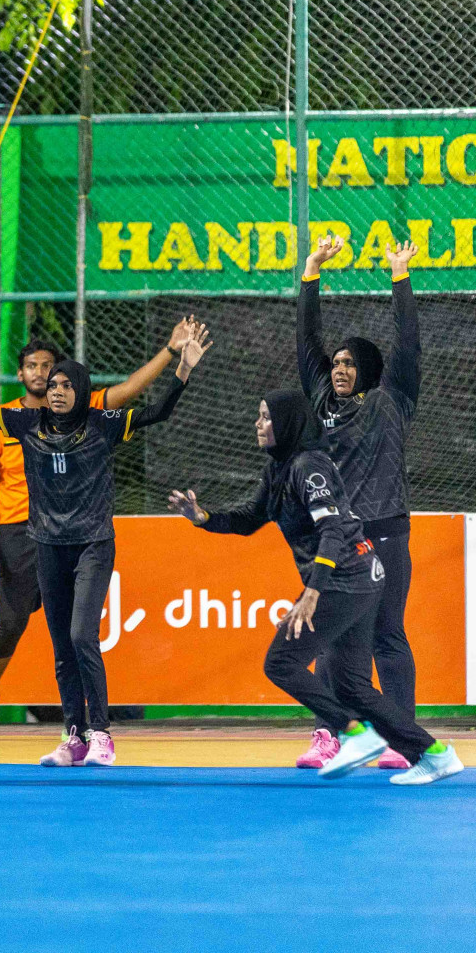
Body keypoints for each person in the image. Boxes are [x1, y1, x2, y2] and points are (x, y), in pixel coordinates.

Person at [168, 390, 462, 785]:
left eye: (265, 417)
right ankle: (434, 754)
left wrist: (312, 592)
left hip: (347, 579)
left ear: (287, 423)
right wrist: (203, 517)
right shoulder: (279, 469)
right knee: (351, 684)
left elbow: (333, 530)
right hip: (354, 578)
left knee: (281, 663)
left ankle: (353, 733)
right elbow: (251, 518)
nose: (258, 424)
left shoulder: (310, 467)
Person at [0, 312, 208, 768]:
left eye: (63, 384)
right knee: (60, 644)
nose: (54, 390)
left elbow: (159, 410)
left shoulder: (102, 424)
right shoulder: (24, 423)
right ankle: (72, 735)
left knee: (81, 637)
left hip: (92, 544)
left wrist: (183, 368)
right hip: (46, 545)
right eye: (50, 384)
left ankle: (102, 735)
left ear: (81, 389)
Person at [293, 236, 422, 770]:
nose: (339, 368)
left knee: (387, 635)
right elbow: (307, 342)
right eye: (336, 362)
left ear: (366, 369)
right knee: (331, 638)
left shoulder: (393, 399)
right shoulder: (322, 401)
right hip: (341, 542)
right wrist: (311, 271)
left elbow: (409, 344)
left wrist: (399, 275)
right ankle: (329, 735)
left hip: (387, 535)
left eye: (349, 363)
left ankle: (401, 737)